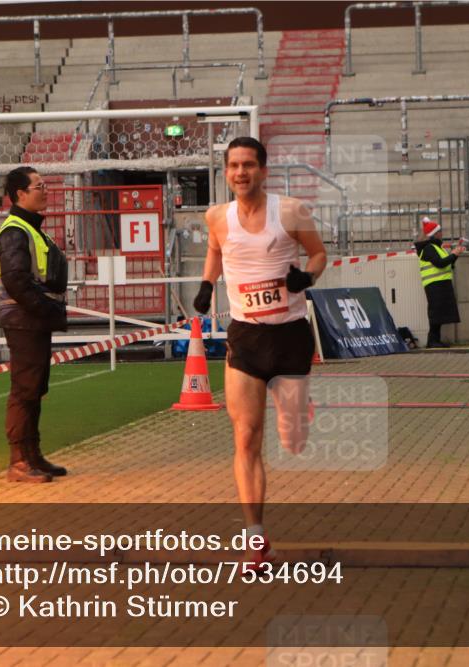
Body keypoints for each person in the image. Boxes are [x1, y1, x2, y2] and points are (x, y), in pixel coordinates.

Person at [192, 136, 326, 568]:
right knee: (246, 437)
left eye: (249, 165)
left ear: (264, 170)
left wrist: (306, 278)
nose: (241, 172)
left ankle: (298, 410)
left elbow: (319, 253)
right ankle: (255, 539)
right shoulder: (216, 216)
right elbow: (215, 250)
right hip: (246, 337)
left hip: (289, 336)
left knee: (293, 441)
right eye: (233, 166)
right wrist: (207, 284)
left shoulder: (290, 211)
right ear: (226, 172)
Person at [0, 166, 69, 483]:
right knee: (24, 390)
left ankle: (33, 455)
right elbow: (16, 280)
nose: (45, 190)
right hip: (25, 320)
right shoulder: (15, 231)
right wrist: (44, 308)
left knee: (34, 389)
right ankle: (19, 462)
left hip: (32, 319)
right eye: (39, 186)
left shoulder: (31, 228)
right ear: (20, 194)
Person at [415, 216, 463, 348]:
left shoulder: (437, 247)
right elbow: (440, 263)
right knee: (436, 313)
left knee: (440, 313)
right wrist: (453, 255)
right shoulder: (429, 248)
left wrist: (455, 255)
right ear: (434, 234)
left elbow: (447, 264)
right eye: (440, 231)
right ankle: (433, 341)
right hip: (434, 284)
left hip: (440, 283)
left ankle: (435, 340)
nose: (442, 233)